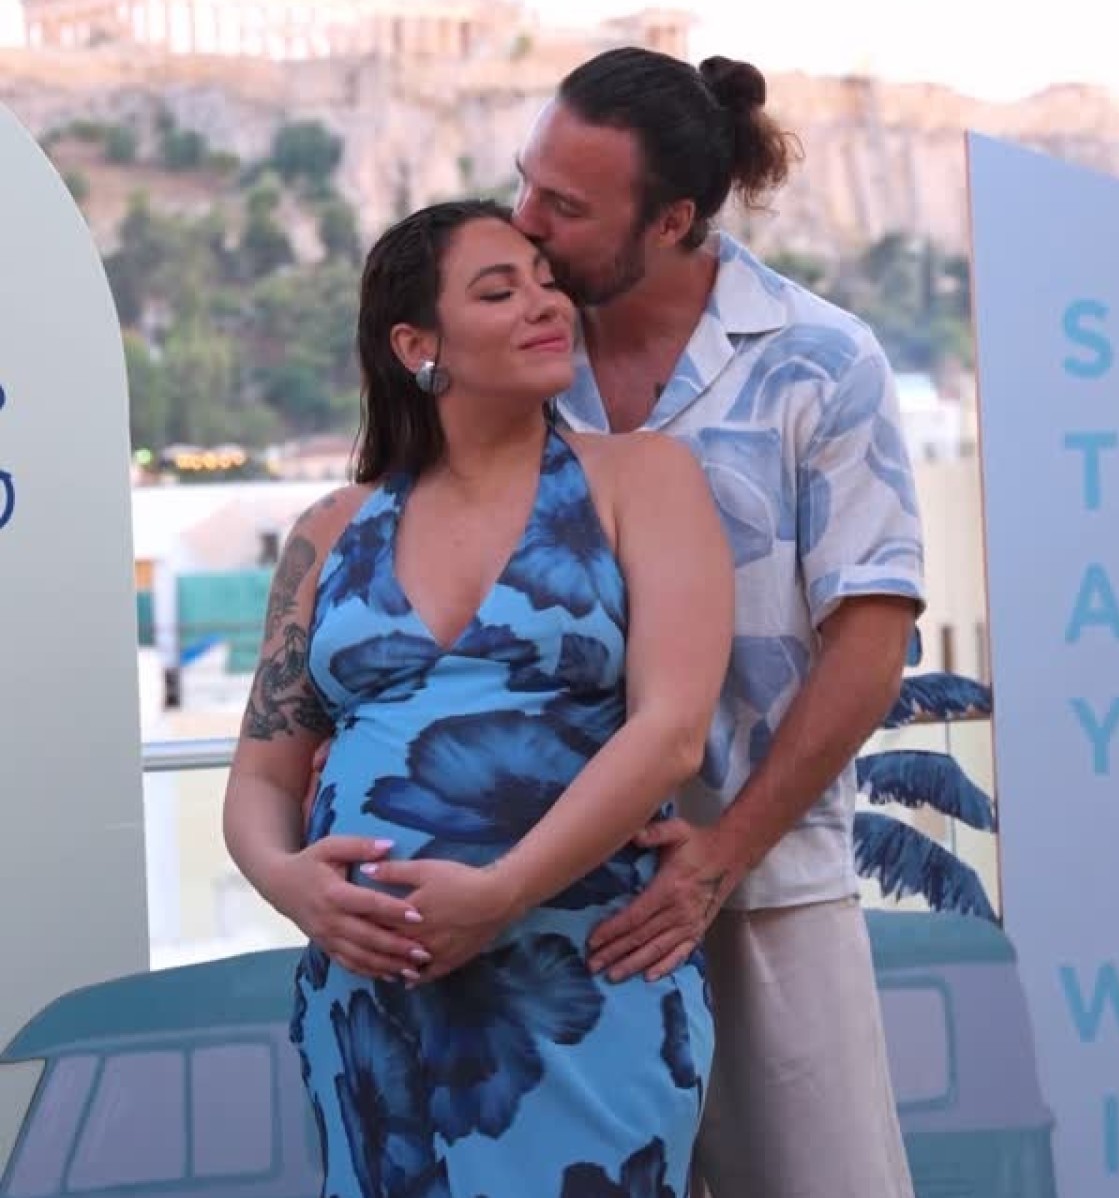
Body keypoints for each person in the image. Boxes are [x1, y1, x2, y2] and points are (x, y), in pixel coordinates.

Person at [222, 198, 734, 1198]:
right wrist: (292, 886)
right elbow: (261, 778)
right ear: (418, 345)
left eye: (548, 284)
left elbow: (672, 731)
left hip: (584, 985)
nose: (546, 305)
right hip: (376, 1010)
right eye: (500, 292)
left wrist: (502, 891)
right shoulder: (329, 530)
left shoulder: (641, 478)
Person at [506, 48, 926, 1198]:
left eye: (565, 205)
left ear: (674, 220)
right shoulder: (503, 357)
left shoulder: (822, 361)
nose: (525, 218)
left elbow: (871, 645)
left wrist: (719, 861)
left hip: (767, 891)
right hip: (536, 910)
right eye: (525, 179)